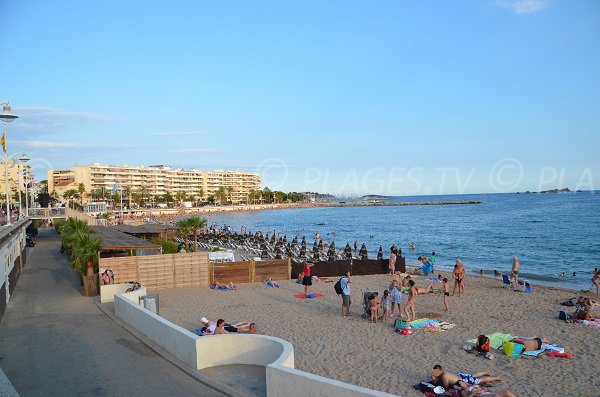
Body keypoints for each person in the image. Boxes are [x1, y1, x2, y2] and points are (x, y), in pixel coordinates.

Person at [431, 365, 502, 391]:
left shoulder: (444, 376)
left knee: (480, 380)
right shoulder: (442, 374)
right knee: (473, 375)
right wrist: (434, 379)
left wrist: (435, 381)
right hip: (461, 376)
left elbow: (445, 387)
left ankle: (496, 378)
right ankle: (485, 372)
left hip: (463, 380)